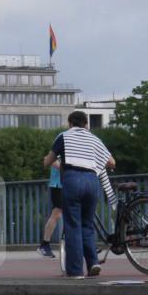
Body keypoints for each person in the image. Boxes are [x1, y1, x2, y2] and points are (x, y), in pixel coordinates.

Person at [43, 110, 114, 278]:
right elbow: (112, 162)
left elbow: (49, 161)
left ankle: (75, 271)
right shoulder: (94, 139)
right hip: (92, 181)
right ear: (86, 124)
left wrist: (47, 160)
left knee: (73, 225)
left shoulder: (64, 137)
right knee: (87, 225)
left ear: (69, 123)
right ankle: (93, 263)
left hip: (72, 179)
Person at [38, 161, 63, 259]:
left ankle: (87, 243)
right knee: (57, 213)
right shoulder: (60, 145)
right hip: (58, 185)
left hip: (72, 184)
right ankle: (45, 244)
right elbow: (52, 161)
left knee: (79, 211)